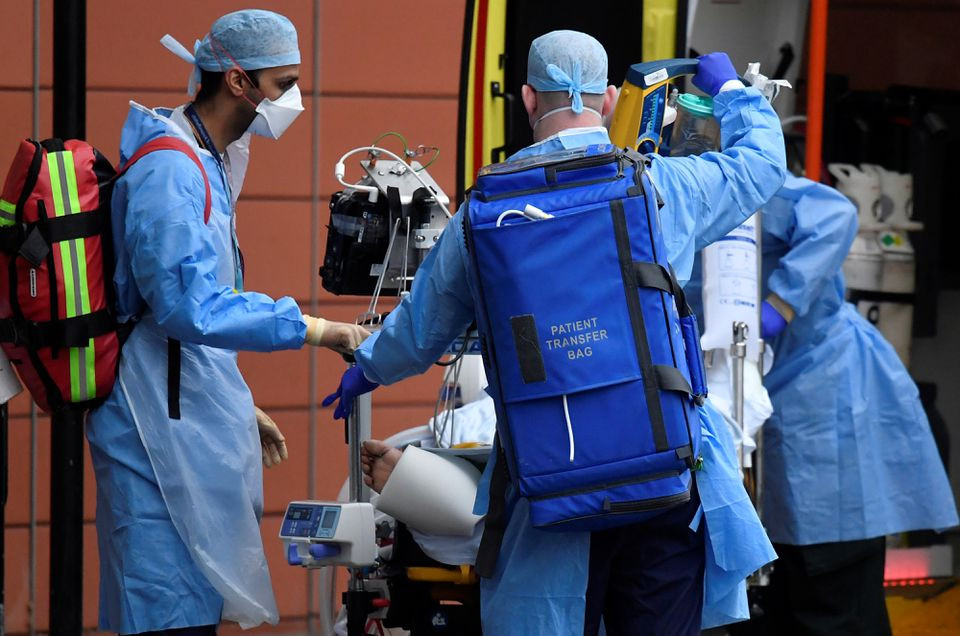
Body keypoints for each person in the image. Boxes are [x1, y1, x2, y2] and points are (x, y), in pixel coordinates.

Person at [325, 31, 786, 634]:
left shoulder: (483, 213)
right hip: (664, 466)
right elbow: (761, 166)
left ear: (526, 98)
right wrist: (731, 92)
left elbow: (420, 332)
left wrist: (368, 370)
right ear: (608, 100)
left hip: (552, 479)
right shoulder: (663, 185)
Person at [85, 10, 369, 635]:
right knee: (163, 608)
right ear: (238, 81)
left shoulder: (208, 158)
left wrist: (234, 402)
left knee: (192, 604)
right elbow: (187, 306)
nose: (293, 98)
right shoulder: (172, 168)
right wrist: (319, 330)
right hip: (151, 428)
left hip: (181, 407)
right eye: (283, 82)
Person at [744, 176, 957, 633]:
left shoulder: (744, 176)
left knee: (831, 595)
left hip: (829, 396)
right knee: (787, 597)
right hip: (778, 399)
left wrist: (780, 303)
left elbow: (834, 214)